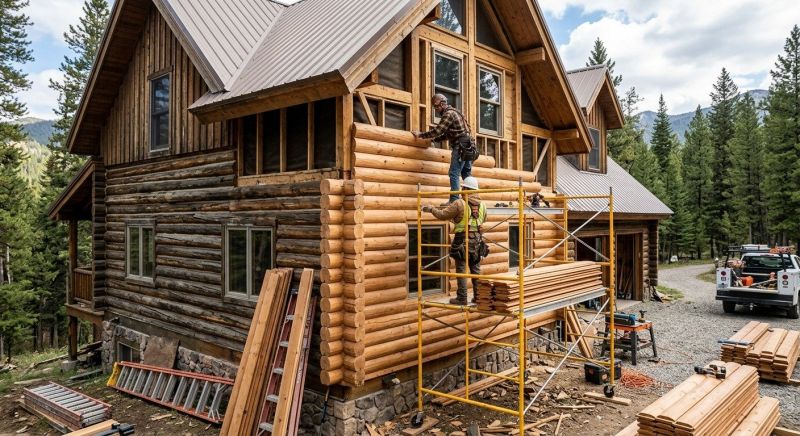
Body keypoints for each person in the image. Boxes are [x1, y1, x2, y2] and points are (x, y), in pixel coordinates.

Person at [422, 176, 488, 305]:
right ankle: (479, 297)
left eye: (463, 188)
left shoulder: (459, 203)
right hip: (477, 241)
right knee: (475, 270)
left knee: (461, 270)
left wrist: (431, 209)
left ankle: (462, 298)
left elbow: (443, 215)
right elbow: (483, 220)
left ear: (466, 189)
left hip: (462, 241)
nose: (461, 190)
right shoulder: (483, 206)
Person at [413, 94, 476, 203]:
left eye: (437, 107)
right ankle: (471, 200)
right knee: (466, 174)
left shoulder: (448, 114)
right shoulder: (456, 112)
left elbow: (437, 131)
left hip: (461, 146)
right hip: (469, 146)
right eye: (435, 107)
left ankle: (454, 200)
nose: (436, 109)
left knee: (454, 173)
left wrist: (421, 135)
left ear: (442, 103)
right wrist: (433, 140)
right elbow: (447, 135)